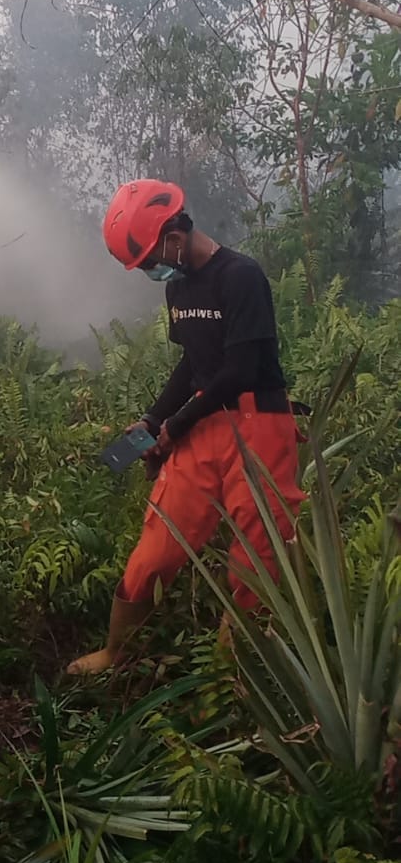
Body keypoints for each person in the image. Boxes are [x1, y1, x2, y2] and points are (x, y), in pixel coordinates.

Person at [68, 178, 304, 676]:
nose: (152, 269)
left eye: (152, 256)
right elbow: (192, 364)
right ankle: (115, 651)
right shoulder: (178, 286)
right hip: (203, 421)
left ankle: (234, 678)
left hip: (259, 424)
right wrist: (155, 419)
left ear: (174, 234)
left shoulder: (241, 277)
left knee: (255, 559)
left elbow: (240, 368)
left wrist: (176, 424)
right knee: (157, 545)